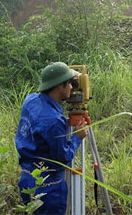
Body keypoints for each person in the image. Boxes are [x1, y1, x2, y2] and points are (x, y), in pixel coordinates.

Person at [15, 62, 88, 215]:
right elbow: (63, 158)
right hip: (48, 187)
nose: (72, 88)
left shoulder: (31, 100)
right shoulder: (53, 121)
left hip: (27, 178)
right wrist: (77, 137)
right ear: (59, 86)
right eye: (70, 83)